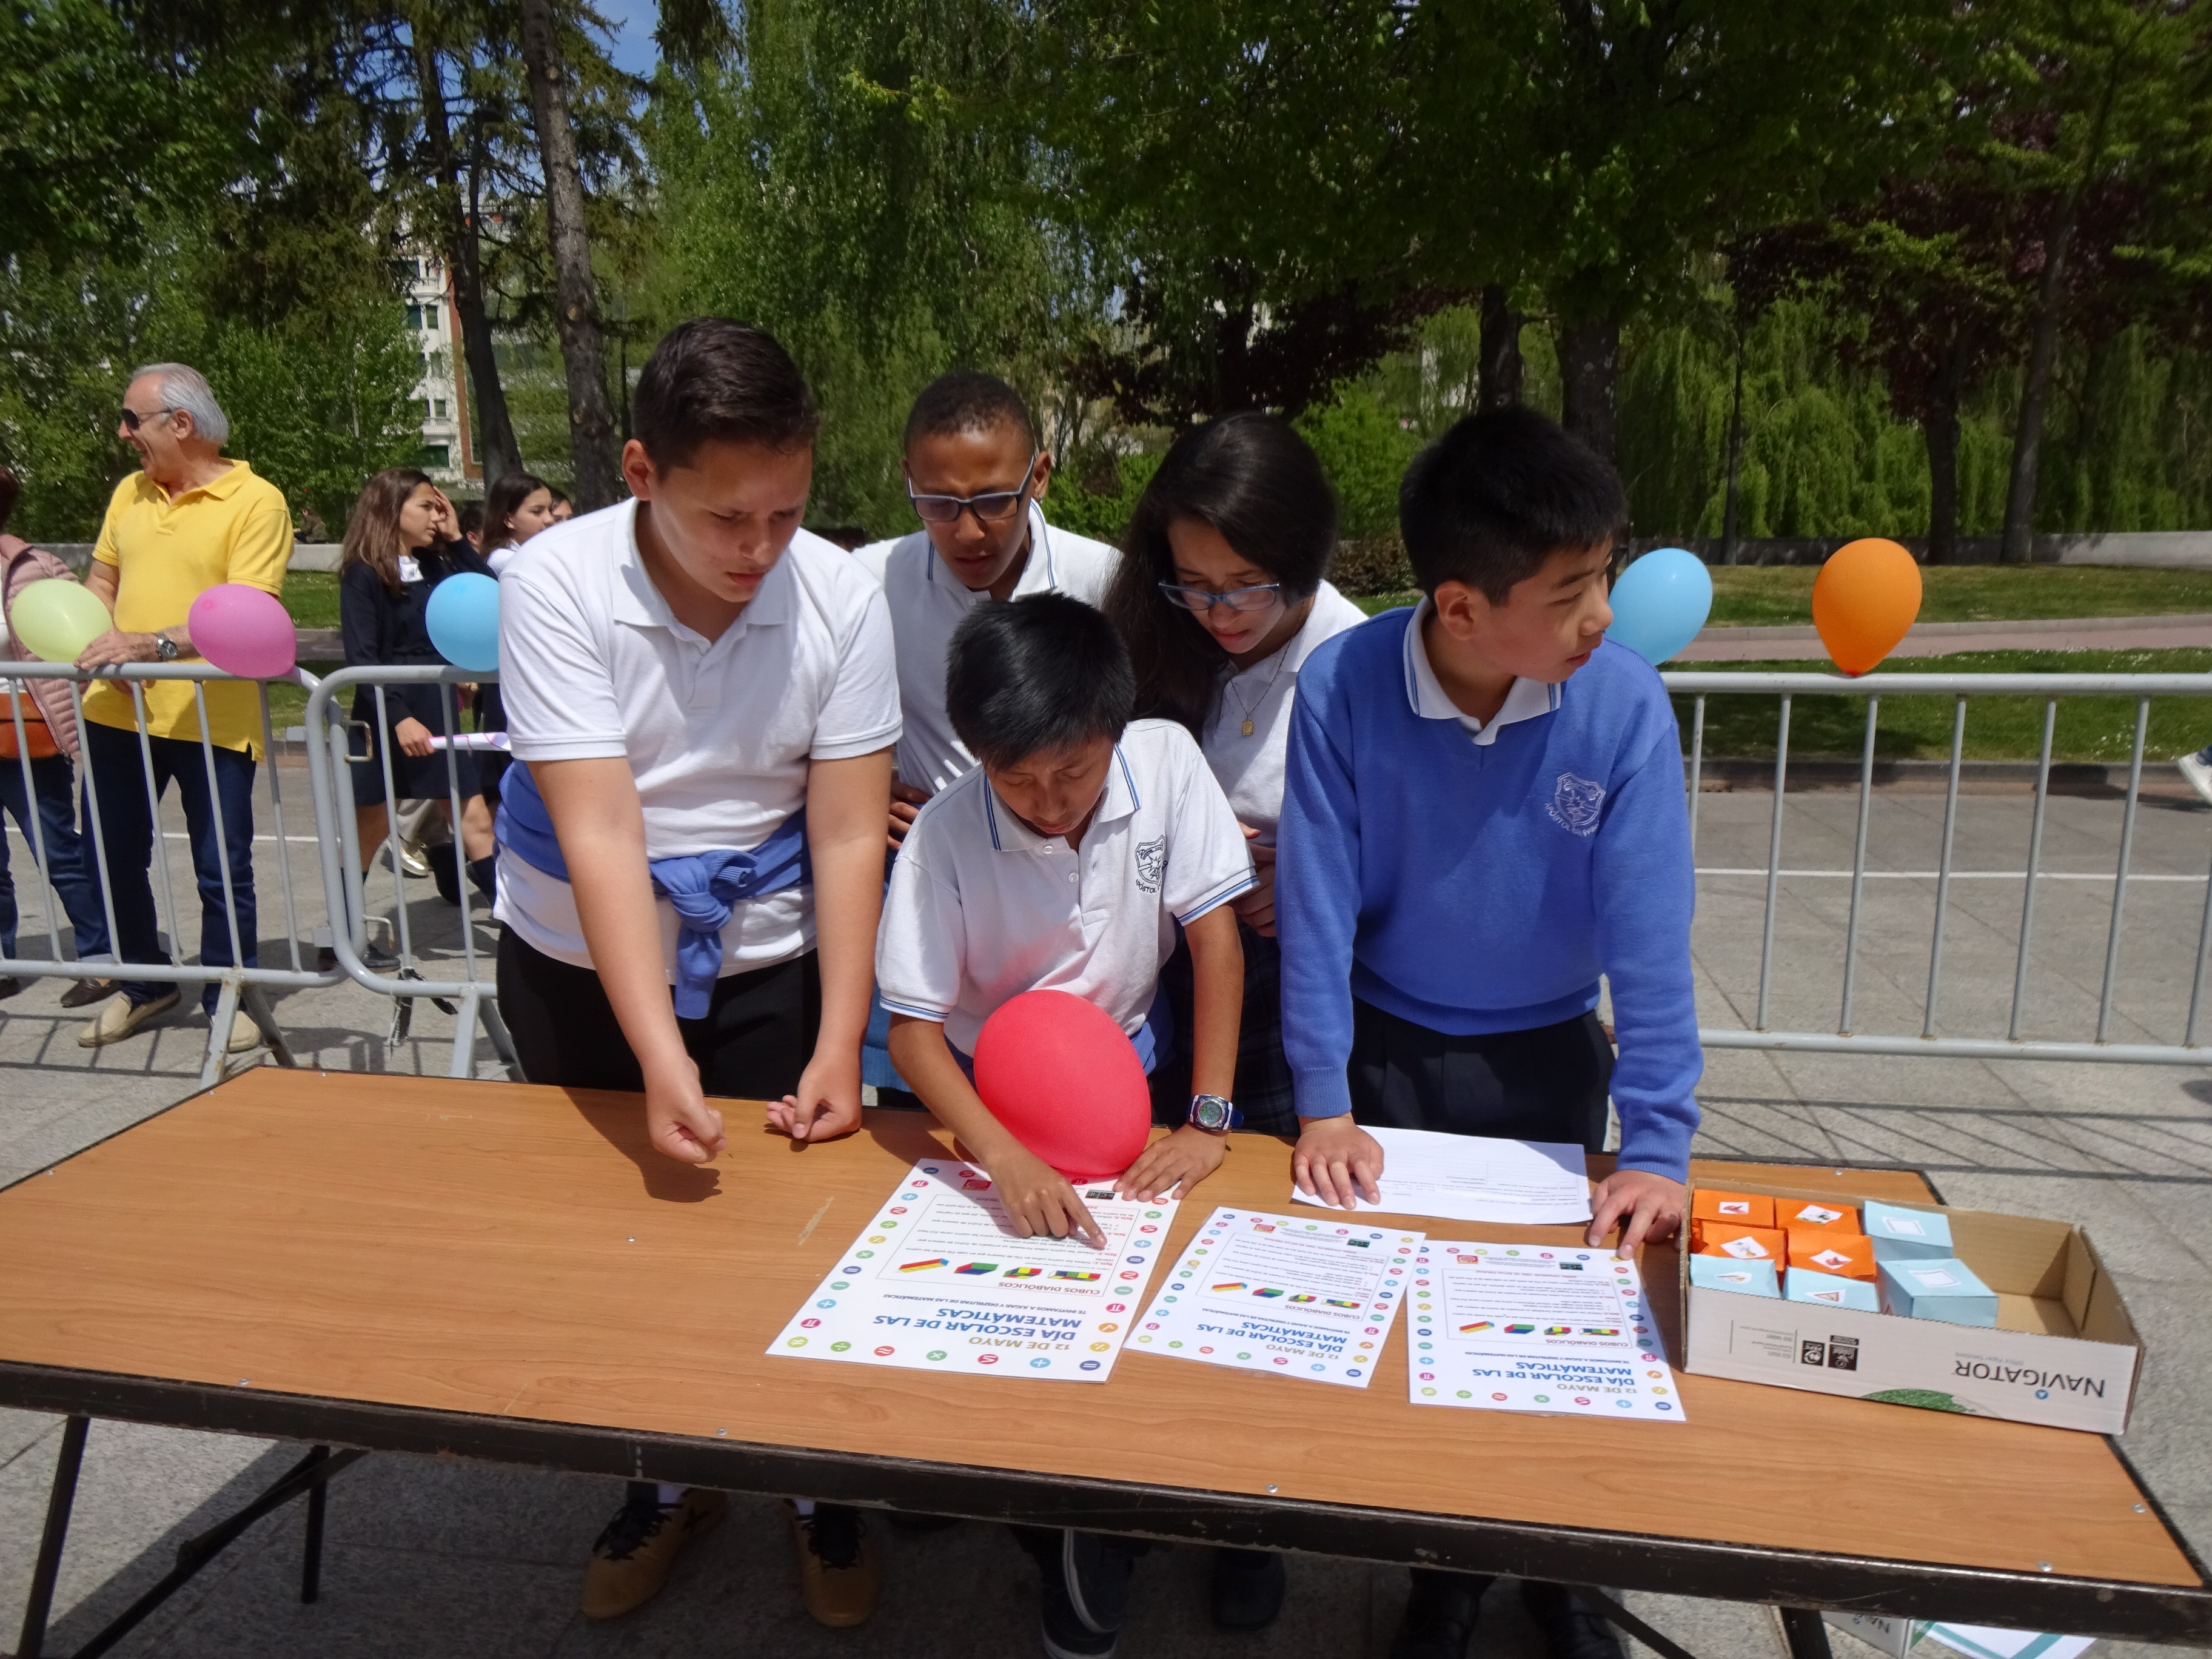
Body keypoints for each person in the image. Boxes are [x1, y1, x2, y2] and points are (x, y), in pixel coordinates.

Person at [1276, 407, 1701, 1659]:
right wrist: (1322, 1102)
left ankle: (1565, 1573)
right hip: (1389, 1059)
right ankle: (1443, 1576)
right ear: (1460, 608)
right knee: (1421, 1341)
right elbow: (1316, 909)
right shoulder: (1344, 690)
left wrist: (1657, 1145)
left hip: (1550, 1060)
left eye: (1607, 576)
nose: (1603, 615)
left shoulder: (1619, 707)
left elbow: (1651, 939)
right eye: (1571, 593)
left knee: (1561, 1339)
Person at [491, 318, 897, 1631]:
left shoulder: (838, 593)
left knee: (791, 1232)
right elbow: (604, 829)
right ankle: (665, 1477)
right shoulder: (555, 581)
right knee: (632, 1241)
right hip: (579, 951)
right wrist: (660, 1056)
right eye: (726, 516)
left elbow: (848, 828)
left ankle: (811, 1480)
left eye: (787, 511)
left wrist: (840, 1040)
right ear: (640, 472)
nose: (758, 547)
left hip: (770, 948)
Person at [876, 594, 1253, 1659]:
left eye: (1074, 774)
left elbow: (1215, 944)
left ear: (1113, 729)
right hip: (985, 1094)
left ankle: (1113, 1526)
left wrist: (1207, 1120)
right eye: (1017, 779)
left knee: (1131, 1313)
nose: (1048, 802)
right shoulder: (947, 832)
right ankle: (1009, 1499)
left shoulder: (1165, 762)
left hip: (1130, 1077)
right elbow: (912, 1034)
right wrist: (1000, 1155)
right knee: (998, 1318)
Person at [849, 370, 1120, 1101]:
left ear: (1040, 475)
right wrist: (863, 796)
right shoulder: (867, 583)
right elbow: (808, 724)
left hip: (1071, 880)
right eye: (939, 504)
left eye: (995, 501)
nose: (968, 532)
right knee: (921, 1109)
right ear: (908, 482)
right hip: (930, 878)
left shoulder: (1104, 581)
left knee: (1071, 1098)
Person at [1103, 412, 1367, 1138]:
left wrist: (1313, 884)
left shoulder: (1355, 662)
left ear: (1304, 556)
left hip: (1287, 980)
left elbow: (1413, 849)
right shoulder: (1154, 631)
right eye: (1194, 584)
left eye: (1248, 586)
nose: (1219, 614)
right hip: (1153, 959)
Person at [73, 363, 290, 1054]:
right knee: (110, 857)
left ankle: (231, 995)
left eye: (131, 419)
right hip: (116, 714)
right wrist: (99, 641)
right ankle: (146, 983)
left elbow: (247, 611)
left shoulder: (257, 501)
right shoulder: (129, 493)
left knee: (221, 869)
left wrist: (149, 647)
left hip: (212, 719)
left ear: (181, 423)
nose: (122, 433)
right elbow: (101, 578)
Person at [337, 469, 498, 919]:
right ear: (393, 510)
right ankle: (343, 933)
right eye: (426, 507)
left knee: (476, 821)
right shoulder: (363, 574)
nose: (435, 516)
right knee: (370, 827)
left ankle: (516, 932)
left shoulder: (435, 564)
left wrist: (457, 540)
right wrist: (399, 717)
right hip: (385, 713)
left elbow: (489, 594)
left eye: (437, 507)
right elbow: (363, 658)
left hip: (435, 706)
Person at [0, 467, 115, 1005]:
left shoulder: (33, 566)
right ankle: (4, 962)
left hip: (27, 730)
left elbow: (87, 630)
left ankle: (101, 959)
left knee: (56, 850)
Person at [481, 470, 556, 575]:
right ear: (508, 520)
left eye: (551, 510)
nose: (550, 519)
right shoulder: (503, 559)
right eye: (537, 512)